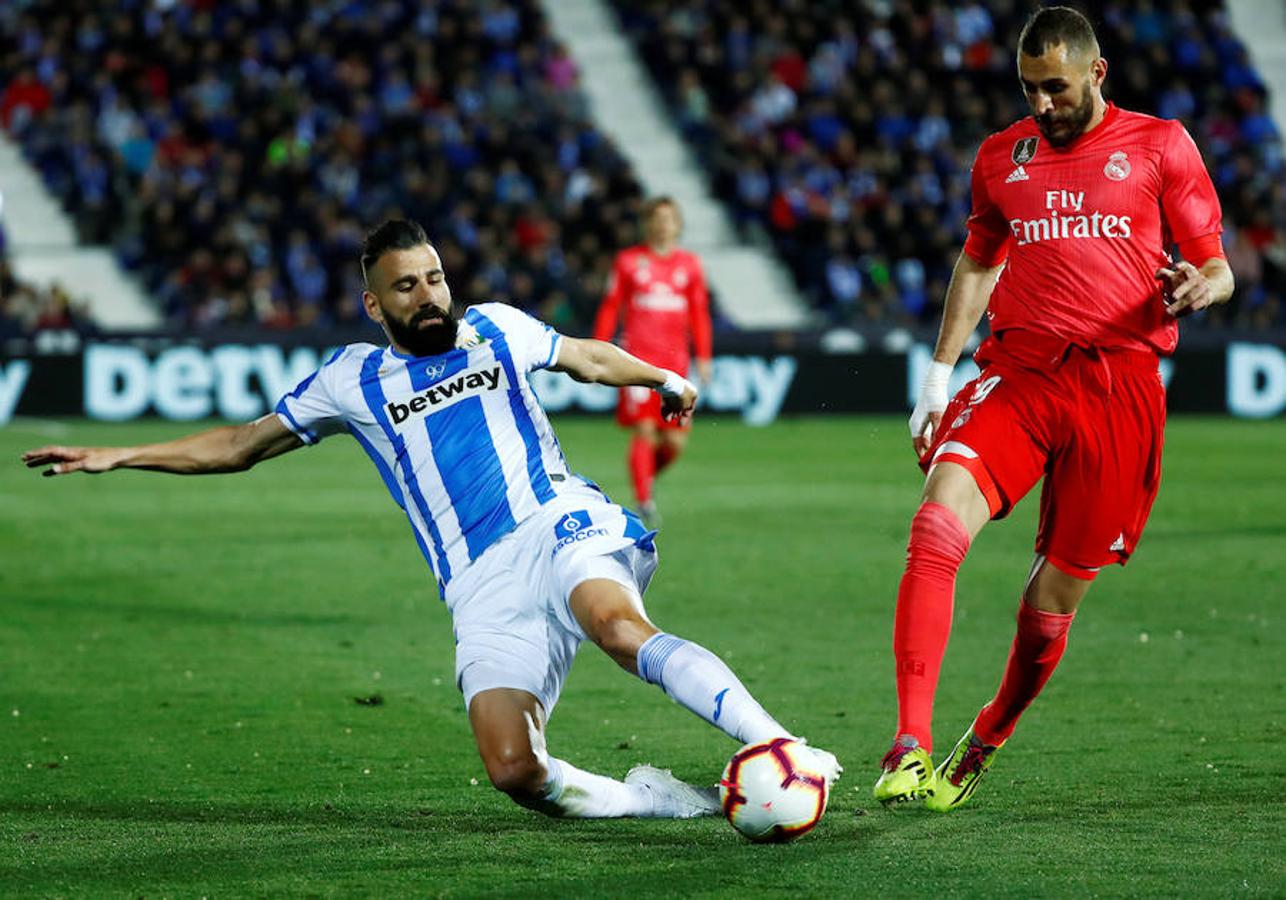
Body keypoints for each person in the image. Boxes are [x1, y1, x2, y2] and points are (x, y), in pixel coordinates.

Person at [24, 219, 839, 819]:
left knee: (616, 627)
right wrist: (118, 456)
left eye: (435, 278)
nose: (428, 296)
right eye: (406, 286)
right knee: (515, 770)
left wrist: (662, 376)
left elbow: (587, 356)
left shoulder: (496, 328)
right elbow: (240, 445)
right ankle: (660, 802)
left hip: (557, 522)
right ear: (373, 303)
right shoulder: (350, 379)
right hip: (479, 581)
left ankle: (781, 746)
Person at [873, 7, 1234, 812]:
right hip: (1023, 374)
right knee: (936, 523)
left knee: (1051, 603)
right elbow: (979, 261)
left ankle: (988, 734)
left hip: (1121, 391)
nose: (1041, 104)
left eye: (1056, 88)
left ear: (1097, 73)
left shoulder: (1160, 145)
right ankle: (908, 742)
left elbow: (1217, 265)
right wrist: (937, 377)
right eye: (1029, 88)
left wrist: (1202, 285)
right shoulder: (1003, 157)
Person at [592, 197, 713, 526]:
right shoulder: (629, 261)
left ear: (678, 225)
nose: (662, 224)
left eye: (668, 218)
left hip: (677, 363)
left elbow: (699, 314)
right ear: (647, 224)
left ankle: (643, 476)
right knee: (644, 429)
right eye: (656, 218)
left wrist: (704, 356)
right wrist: (600, 345)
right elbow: (611, 305)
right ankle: (644, 501)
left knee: (674, 442)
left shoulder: (690, 265)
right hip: (636, 361)